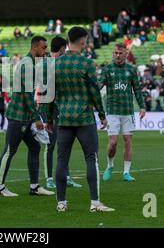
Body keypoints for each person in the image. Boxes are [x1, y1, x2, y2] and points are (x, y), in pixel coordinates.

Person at [42, 26, 113, 213]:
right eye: (86, 39)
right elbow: (94, 92)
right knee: (91, 159)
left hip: (64, 118)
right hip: (84, 118)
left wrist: (49, 119)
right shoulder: (86, 63)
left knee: (61, 160)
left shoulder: (54, 64)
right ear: (82, 40)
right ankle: (95, 203)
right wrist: (102, 114)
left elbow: (49, 95)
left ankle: (61, 203)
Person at [0, 36, 54, 197]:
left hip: (24, 115)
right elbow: (27, 95)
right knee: (9, 151)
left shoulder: (31, 64)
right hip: (19, 115)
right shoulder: (27, 65)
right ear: (34, 48)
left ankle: (34, 186)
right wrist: (36, 118)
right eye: (43, 47)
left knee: (34, 147)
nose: (45, 50)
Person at [39, 36, 81, 190]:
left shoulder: (50, 63)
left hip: (60, 106)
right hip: (47, 107)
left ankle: (66, 177)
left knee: (64, 143)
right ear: (63, 48)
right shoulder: (46, 64)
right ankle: (49, 178)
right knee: (50, 143)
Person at [99, 43, 146, 182]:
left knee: (128, 141)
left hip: (128, 111)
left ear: (126, 54)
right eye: (115, 53)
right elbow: (99, 85)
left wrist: (142, 107)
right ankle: (110, 165)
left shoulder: (131, 70)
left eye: (120, 53)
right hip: (112, 111)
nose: (117, 55)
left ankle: (126, 172)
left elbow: (137, 89)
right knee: (113, 143)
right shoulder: (107, 69)